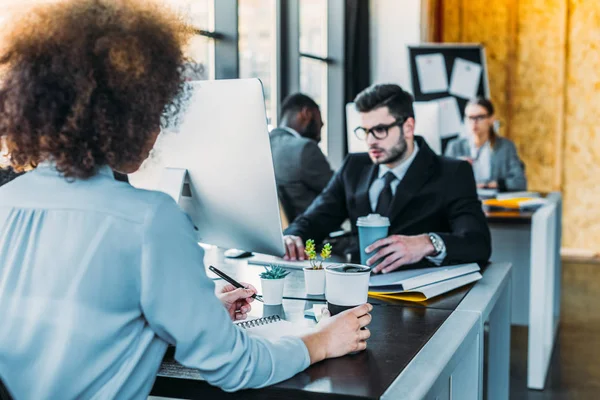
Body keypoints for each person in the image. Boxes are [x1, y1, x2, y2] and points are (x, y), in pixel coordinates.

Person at [0, 1, 372, 398]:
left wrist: (192, 312)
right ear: (123, 116)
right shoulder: (148, 219)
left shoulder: (7, 201)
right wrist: (321, 341)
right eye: (155, 113)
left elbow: (70, 328)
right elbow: (235, 366)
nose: (159, 131)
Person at [283, 84, 491, 274]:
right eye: (365, 131)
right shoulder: (354, 167)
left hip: (423, 298)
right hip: (359, 290)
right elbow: (314, 220)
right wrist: (292, 237)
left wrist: (428, 243)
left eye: (380, 130)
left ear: (408, 127)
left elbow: (478, 242)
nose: (370, 141)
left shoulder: (452, 172)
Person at [270, 93, 333, 222]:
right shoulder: (305, 149)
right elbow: (339, 190)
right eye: (320, 124)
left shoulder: (264, 144)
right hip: (311, 235)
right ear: (307, 113)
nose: (319, 136)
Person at [445, 97, 527, 191]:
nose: (474, 123)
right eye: (470, 118)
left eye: (479, 117)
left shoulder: (506, 147)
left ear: (491, 119)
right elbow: (444, 182)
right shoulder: (455, 147)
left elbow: (520, 182)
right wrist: (458, 168)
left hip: (495, 201)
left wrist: (493, 185)